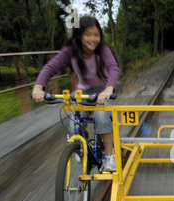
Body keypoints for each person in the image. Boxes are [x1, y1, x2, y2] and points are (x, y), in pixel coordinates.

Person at [32, 16, 120, 172]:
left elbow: (113, 68)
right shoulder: (71, 51)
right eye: (88, 34)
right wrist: (39, 87)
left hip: (103, 90)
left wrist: (108, 89)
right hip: (83, 92)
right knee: (74, 125)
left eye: (96, 34)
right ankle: (83, 147)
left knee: (101, 116)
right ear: (79, 35)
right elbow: (50, 68)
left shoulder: (103, 49)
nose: (93, 39)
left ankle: (109, 156)